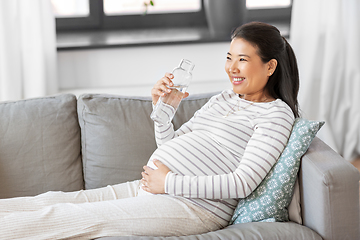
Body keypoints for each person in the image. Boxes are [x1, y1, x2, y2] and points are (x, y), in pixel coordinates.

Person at [0, 22, 299, 239]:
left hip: (193, 207)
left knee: (63, 218)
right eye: (229, 58)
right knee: (52, 200)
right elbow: (175, 142)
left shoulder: (276, 115)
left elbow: (242, 183)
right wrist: (163, 114)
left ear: (270, 66)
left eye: (242, 60)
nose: (232, 68)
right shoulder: (225, 98)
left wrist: (169, 183)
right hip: (154, 187)